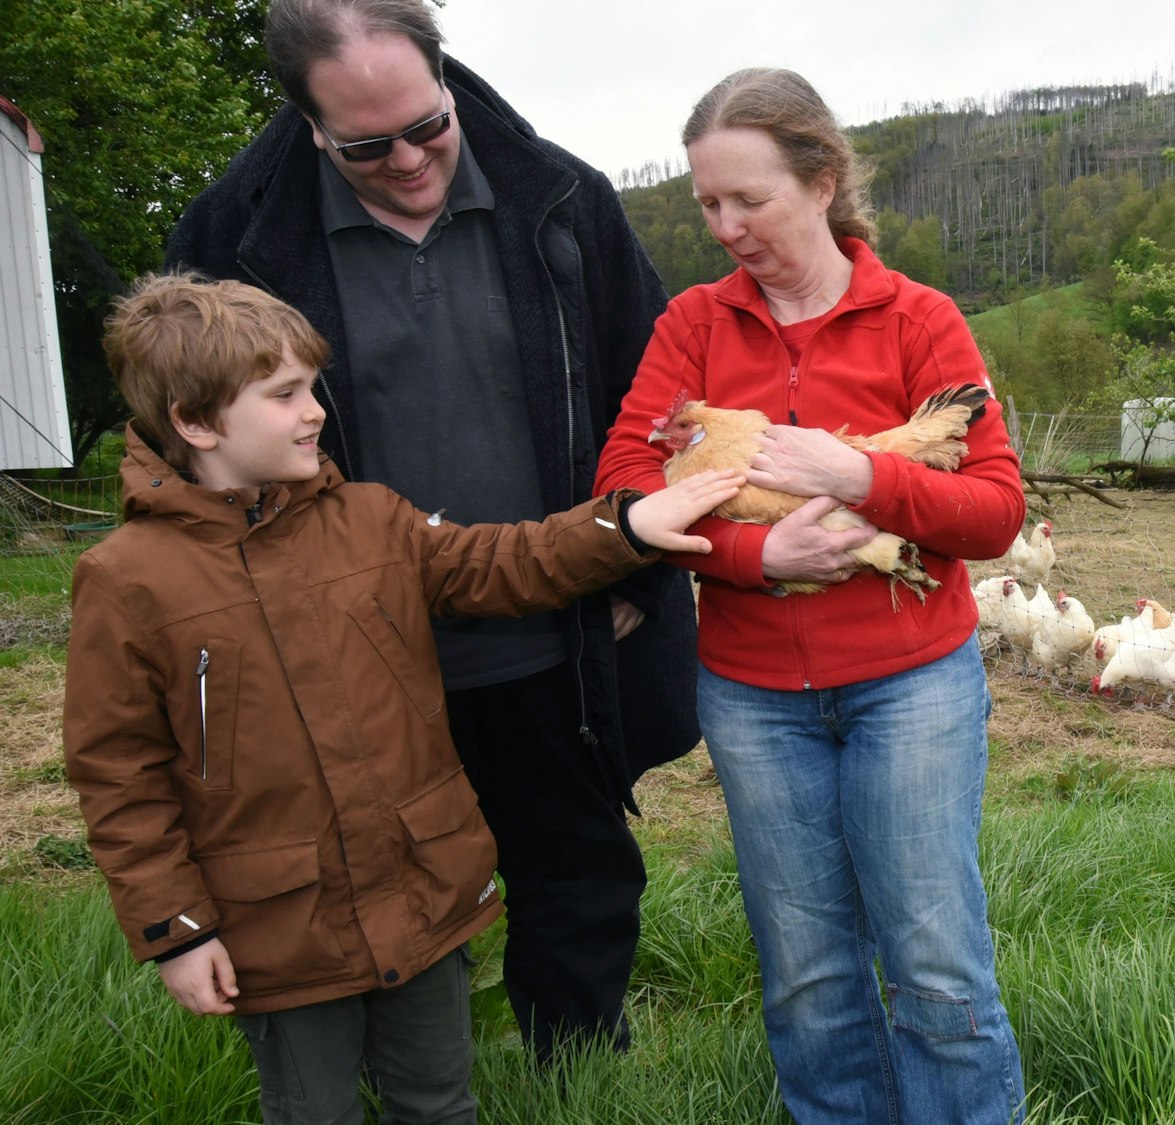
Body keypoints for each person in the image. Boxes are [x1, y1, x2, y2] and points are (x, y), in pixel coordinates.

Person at [64, 274, 741, 1124]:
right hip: (279, 926)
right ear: (196, 422)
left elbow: (506, 561)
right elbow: (118, 773)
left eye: (313, 385)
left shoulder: (373, 520)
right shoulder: (126, 579)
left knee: (438, 1102)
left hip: (422, 898)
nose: (314, 410)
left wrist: (628, 524)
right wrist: (178, 929)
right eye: (283, 395)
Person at [162, 0, 698, 1063]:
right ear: (307, 125)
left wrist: (632, 577)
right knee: (378, 882)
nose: (409, 160)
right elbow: (183, 439)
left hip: (559, 617)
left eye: (428, 125)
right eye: (366, 146)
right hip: (352, 647)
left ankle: (576, 1069)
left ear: (446, 79)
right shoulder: (232, 241)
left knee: (575, 863)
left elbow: (659, 395)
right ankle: (413, 1080)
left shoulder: (563, 199)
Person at [593, 68, 1027, 1125]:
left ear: (822, 180)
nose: (725, 226)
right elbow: (622, 488)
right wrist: (754, 557)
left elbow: (993, 510)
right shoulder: (694, 325)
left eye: (751, 199)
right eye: (707, 203)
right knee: (803, 970)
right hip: (752, 696)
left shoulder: (915, 318)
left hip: (909, 685)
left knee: (934, 962)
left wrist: (856, 478)